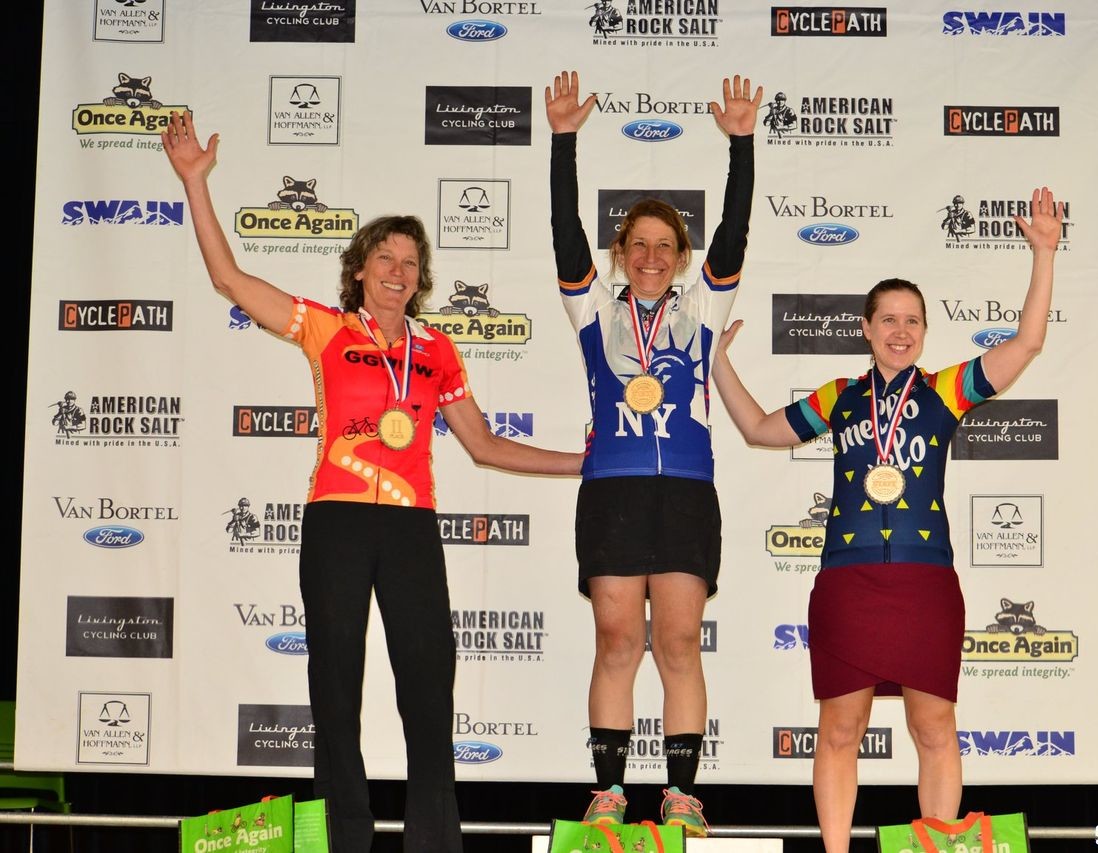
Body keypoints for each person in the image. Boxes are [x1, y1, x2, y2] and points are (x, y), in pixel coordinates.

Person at [161, 110, 582, 853]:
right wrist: (196, 181)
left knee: (429, 690)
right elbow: (228, 278)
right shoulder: (326, 329)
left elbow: (481, 443)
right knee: (336, 685)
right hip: (339, 520)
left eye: (410, 262)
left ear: (421, 279)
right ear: (360, 269)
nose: (397, 271)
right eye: (384, 259)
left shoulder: (438, 348)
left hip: (412, 524)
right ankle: (343, 840)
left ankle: (435, 841)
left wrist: (583, 461)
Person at [711, 188, 1063, 853]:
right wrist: (717, 363)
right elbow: (759, 428)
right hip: (848, 583)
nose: (901, 331)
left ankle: (936, 844)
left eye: (913, 321)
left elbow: (1028, 342)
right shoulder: (840, 399)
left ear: (925, 332)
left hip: (925, 584)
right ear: (866, 329)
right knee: (840, 730)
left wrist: (1043, 252)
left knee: (935, 728)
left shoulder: (945, 390)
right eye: (889, 320)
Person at [544, 70, 762, 836]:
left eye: (664, 246)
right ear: (620, 252)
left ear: (680, 254)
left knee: (675, 640)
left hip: (685, 492)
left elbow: (734, 234)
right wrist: (562, 140)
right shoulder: (592, 308)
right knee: (615, 639)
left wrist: (742, 146)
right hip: (611, 489)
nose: (650, 256)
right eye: (637, 244)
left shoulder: (702, 307)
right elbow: (564, 235)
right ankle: (608, 791)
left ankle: (679, 793)